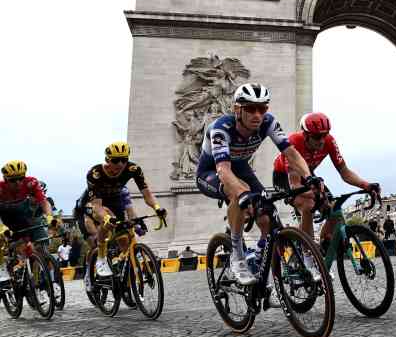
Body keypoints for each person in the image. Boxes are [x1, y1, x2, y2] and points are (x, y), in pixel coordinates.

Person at [196, 83, 319, 285]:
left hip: (241, 167)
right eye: (251, 109)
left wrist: (309, 177)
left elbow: (291, 153)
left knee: (267, 214)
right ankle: (237, 256)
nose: (257, 115)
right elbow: (223, 170)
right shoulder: (221, 128)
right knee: (239, 192)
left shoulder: (268, 122)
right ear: (237, 109)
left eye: (262, 109)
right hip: (211, 172)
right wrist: (242, 194)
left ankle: (262, 266)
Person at [271, 112, 379, 279]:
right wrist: (315, 195)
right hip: (284, 177)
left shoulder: (329, 141)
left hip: (309, 176)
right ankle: (308, 257)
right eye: (317, 137)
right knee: (307, 205)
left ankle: (320, 246)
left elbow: (345, 172)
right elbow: (295, 185)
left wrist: (366, 185)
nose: (322, 140)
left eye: (325, 135)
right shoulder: (294, 142)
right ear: (305, 135)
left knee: (335, 209)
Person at [76, 141, 167, 283]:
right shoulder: (95, 173)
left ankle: (126, 281)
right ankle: (100, 258)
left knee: (124, 238)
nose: (120, 164)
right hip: (92, 203)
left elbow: (147, 194)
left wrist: (157, 208)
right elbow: (97, 207)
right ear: (107, 160)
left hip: (114, 200)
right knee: (106, 220)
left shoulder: (133, 169)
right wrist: (107, 218)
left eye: (124, 160)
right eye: (115, 160)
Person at [0, 161, 61, 283]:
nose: (18, 183)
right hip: (4, 215)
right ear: (5, 180)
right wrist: (1, 227)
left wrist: (50, 217)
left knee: (35, 247)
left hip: (21, 215)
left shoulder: (30, 183)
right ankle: (2, 269)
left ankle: (39, 279)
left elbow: (44, 202)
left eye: (21, 178)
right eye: (13, 180)